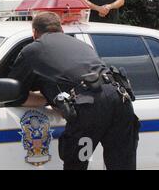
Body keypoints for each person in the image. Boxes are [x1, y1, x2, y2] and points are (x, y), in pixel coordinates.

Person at [8, 12, 139, 170]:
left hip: (90, 106)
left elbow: (12, 92)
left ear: (35, 33)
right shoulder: (82, 45)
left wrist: (45, 99)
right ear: (61, 29)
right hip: (119, 98)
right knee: (122, 165)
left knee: (76, 165)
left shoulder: (32, 50)